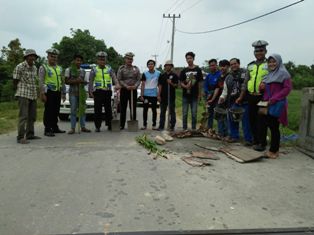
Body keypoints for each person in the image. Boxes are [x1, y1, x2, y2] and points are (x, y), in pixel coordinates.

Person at [259, 54, 292, 158]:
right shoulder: (269, 74)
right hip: (267, 104)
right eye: (270, 62)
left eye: (274, 62)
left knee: (274, 127)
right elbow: (264, 90)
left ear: (279, 62)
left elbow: (287, 89)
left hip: (277, 104)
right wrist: (261, 88)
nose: (271, 64)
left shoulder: (284, 73)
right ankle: (273, 149)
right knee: (268, 125)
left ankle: (274, 151)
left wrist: (274, 99)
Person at [241, 40, 269, 151]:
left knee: (261, 120)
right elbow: (246, 81)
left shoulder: (269, 64)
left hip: (263, 97)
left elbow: (273, 79)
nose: (259, 53)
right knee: (252, 119)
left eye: (261, 50)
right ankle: (255, 140)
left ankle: (262, 143)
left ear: (265, 51)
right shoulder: (250, 65)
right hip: (251, 96)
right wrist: (242, 96)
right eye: (256, 51)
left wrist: (266, 84)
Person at [218, 58, 252, 144]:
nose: (233, 66)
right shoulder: (228, 77)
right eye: (232, 64)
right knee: (232, 119)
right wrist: (222, 97)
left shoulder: (245, 73)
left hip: (245, 101)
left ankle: (248, 139)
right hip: (233, 101)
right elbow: (225, 90)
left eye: (235, 63)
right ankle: (234, 136)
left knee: (246, 121)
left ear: (239, 64)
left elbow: (248, 86)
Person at [13, 49, 41, 144]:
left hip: (32, 94)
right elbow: (15, 80)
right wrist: (18, 90)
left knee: (32, 116)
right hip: (23, 93)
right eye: (30, 56)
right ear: (26, 57)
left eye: (34, 56)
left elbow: (34, 81)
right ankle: (20, 137)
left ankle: (30, 134)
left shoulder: (34, 68)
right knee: (23, 116)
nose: (32, 58)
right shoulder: (20, 66)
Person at [39, 48, 66, 137]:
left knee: (56, 110)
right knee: (49, 111)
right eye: (52, 56)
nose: (53, 58)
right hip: (49, 92)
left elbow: (62, 81)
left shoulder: (60, 68)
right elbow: (41, 81)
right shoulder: (44, 67)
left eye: (55, 57)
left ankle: (55, 127)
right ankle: (47, 129)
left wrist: (63, 93)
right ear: (48, 57)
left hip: (57, 92)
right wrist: (42, 93)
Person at [89, 51, 118, 132]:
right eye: (100, 59)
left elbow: (114, 78)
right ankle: (97, 126)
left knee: (108, 109)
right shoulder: (94, 69)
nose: (102, 61)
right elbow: (90, 81)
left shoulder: (109, 69)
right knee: (97, 110)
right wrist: (90, 91)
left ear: (106, 60)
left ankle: (109, 125)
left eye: (103, 59)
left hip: (107, 92)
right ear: (97, 60)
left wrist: (117, 84)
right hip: (98, 92)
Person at [65, 54, 91, 134]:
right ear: (74, 61)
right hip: (73, 93)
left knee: (82, 110)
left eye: (80, 60)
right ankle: (72, 128)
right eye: (77, 60)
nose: (78, 62)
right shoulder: (69, 70)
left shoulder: (83, 71)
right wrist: (76, 81)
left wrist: (82, 81)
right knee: (73, 110)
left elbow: (86, 82)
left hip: (81, 93)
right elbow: (66, 81)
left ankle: (83, 127)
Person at [117, 52, 141, 130]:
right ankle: (121, 125)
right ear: (125, 59)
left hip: (133, 90)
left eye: (131, 59)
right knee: (123, 108)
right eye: (128, 59)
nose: (129, 60)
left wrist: (135, 86)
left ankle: (133, 122)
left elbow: (138, 79)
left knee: (133, 107)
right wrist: (126, 86)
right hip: (124, 90)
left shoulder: (136, 69)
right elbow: (119, 79)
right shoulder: (121, 68)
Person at [180, 52, 203, 130]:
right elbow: (181, 83)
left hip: (195, 95)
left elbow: (200, 83)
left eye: (190, 58)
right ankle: (184, 129)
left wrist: (200, 94)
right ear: (186, 60)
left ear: (193, 59)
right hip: (185, 96)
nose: (189, 60)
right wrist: (186, 86)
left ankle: (193, 129)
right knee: (185, 113)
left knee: (194, 113)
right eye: (187, 58)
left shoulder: (198, 70)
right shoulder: (184, 70)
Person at [157, 60, 179, 131]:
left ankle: (172, 126)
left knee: (172, 112)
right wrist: (159, 95)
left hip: (171, 97)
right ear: (165, 67)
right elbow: (160, 86)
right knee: (162, 112)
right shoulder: (162, 75)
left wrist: (171, 83)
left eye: (169, 65)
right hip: (163, 97)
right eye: (166, 65)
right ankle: (161, 126)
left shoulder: (174, 75)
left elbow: (176, 86)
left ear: (171, 66)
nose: (168, 66)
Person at [140, 59, 160, 130]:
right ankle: (144, 125)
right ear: (147, 66)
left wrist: (158, 95)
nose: (150, 65)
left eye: (152, 64)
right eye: (149, 64)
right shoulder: (144, 73)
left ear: (154, 65)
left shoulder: (158, 73)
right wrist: (141, 95)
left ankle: (154, 125)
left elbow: (159, 85)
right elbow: (142, 84)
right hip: (146, 95)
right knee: (145, 110)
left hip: (154, 95)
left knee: (154, 110)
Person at [203, 59, 221, 131]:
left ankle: (220, 131)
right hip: (209, 96)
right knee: (209, 113)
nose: (212, 67)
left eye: (213, 65)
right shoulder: (208, 76)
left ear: (216, 65)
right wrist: (207, 93)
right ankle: (209, 128)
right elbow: (205, 86)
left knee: (218, 114)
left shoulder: (220, 74)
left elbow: (219, 86)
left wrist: (213, 93)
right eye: (210, 66)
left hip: (218, 97)